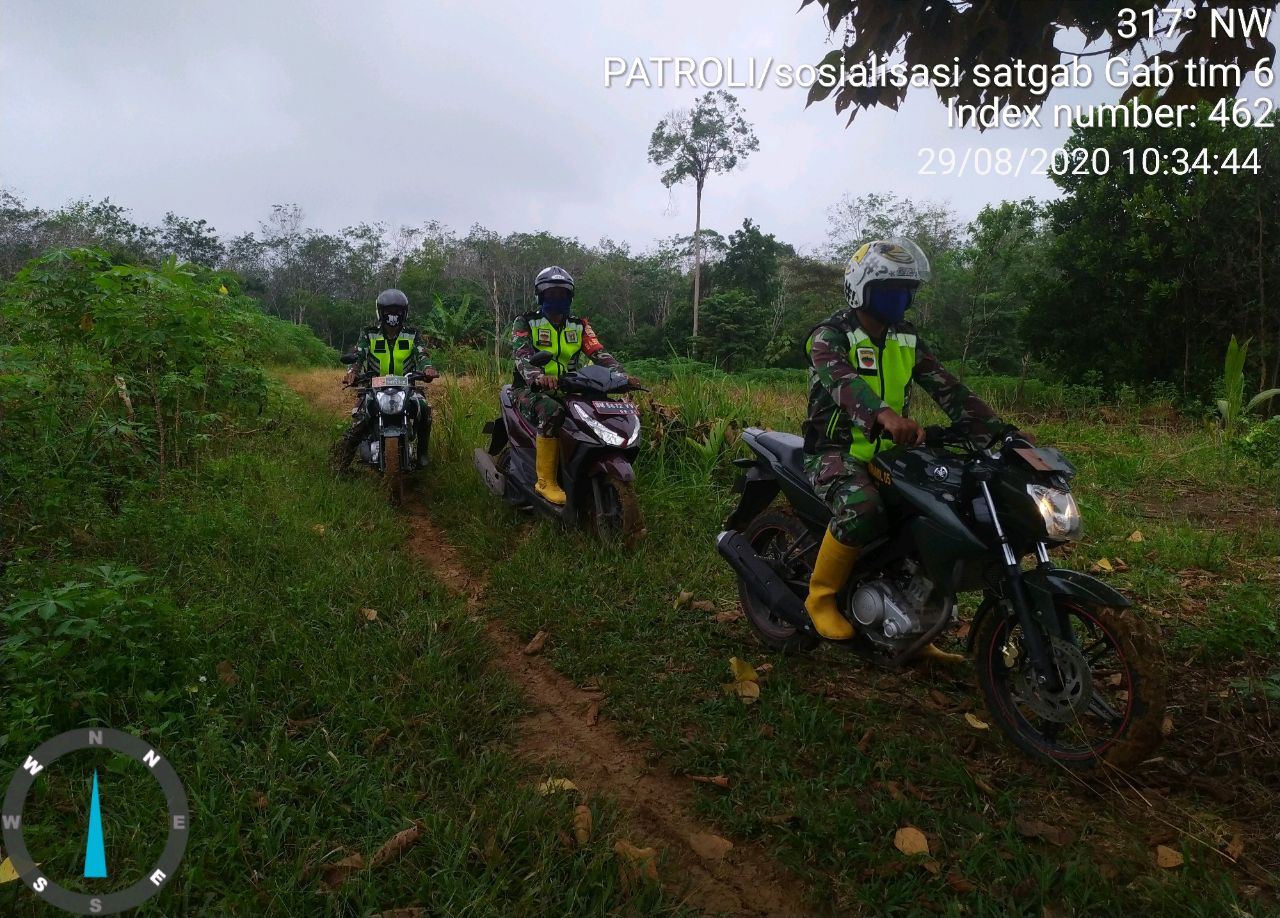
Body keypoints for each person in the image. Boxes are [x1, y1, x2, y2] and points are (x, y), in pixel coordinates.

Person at [801, 239, 1028, 657]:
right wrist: (884, 416)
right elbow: (843, 384)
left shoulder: (906, 337)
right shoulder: (829, 337)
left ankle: (914, 623)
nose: (901, 299)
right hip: (835, 451)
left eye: (907, 290)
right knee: (863, 508)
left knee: (936, 518)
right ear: (861, 289)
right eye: (890, 290)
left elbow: (948, 387)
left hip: (893, 455)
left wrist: (999, 430)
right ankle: (820, 597)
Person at [510, 266, 637, 505]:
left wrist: (622, 374)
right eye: (551, 294)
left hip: (571, 386)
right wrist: (537, 376)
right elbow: (522, 356)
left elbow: (598, 352)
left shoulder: (579, 325)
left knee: (603, 411)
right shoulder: (526, 321)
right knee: (552, 411)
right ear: (541, 296)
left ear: (570, 297)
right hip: (530, 390)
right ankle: (545, 482)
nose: (557, 299)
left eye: (562, 294)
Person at [332, 288, 439, 470]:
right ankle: (340, 466)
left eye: (397, 311)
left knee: (424, 410)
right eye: (388, 311)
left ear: (404, 313)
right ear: (380, 312)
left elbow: (422, 354)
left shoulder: (412, 335)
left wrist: (427, 368)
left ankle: (422, 453)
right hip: (373, 386)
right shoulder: (370, 333)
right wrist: (352, 372)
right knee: (360, 419)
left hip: (407, 387)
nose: (393, 315)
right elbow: (358, 354)